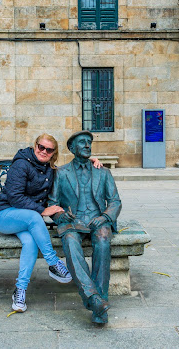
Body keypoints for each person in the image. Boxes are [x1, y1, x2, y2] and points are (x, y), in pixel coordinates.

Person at [0, 133, 101, 313]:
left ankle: (20, 290)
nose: (43, 151)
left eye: (48, 150)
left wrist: (91, 162)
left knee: (30, 243)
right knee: (35, 217)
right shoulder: (21, 164)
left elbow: (69, 172)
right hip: (5, 215)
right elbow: (14, 196)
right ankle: (53, 263)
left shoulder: (50, 170)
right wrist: (42, 210)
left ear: (53, 153)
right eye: (40, 147)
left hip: (25, 223)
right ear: (35, 146)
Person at [48, 131, 122, 325]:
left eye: (89, 142)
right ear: (72, 148)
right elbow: (53, 203)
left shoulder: (103, 172)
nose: (87, 145)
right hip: (73, 222)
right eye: (82, 142)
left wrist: (105, 216)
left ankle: (99, 302)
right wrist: (61, 215)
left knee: (104, 240)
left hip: (98, 220)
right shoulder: (61, 173)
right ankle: (95, 300)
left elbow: (115, 201)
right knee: (71, 244)